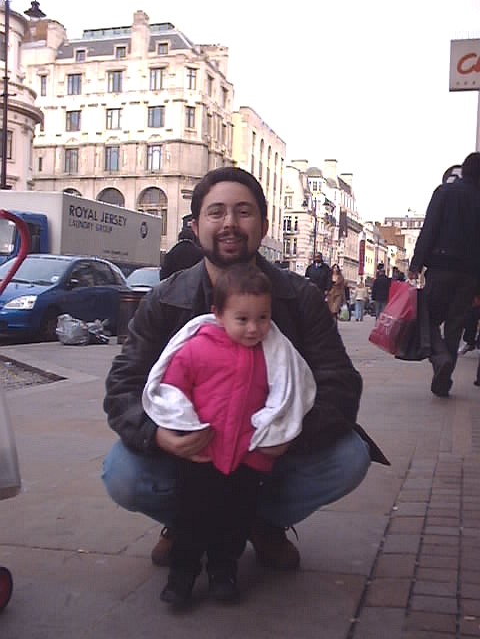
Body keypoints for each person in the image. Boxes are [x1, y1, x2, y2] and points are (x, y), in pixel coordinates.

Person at [103, 166, 388, 582]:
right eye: (216, 212)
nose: (230, 223)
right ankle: (185, 523)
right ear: (195, 226)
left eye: (243, 211)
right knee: (122, 473)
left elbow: (339, 384)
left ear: (264, 225)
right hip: (189, 454)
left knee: (348, 458)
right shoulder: (164, 300)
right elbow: (123, 387)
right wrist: (158, 435)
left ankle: (262, 523)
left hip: (267, 454)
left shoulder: (300, 297)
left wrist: (284, 436)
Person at [142, 264, 316, 606]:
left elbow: (286, 393)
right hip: (201, 453)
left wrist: (275, 434)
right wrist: (180, 425)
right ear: (218, 314)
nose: (254, 328)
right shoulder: (195, 349)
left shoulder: (273, 354)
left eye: (263, 318)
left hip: (247, 457)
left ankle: (224, 573)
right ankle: (181, 577)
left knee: (236, 519)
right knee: (191, 517)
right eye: (242, 319)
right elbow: (173, 389)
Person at [408, 152, 480, 397]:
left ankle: (440, 358)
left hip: (441, 267)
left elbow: (430, 228)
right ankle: (444, 377)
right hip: (470, 273)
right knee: (455, 325)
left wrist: (416, 263)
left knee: (427, 318)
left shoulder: (444, 192)